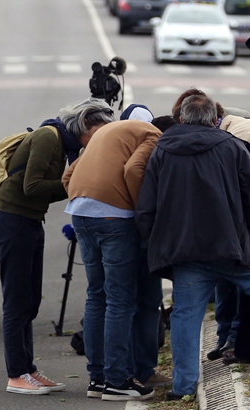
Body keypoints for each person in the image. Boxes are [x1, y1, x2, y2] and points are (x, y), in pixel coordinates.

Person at [136, 95, 250, 401]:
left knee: (186, 316)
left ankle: (184, 386)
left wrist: (157, 242)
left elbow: (146, 207)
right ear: (215, 119)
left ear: (182, 120)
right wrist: (244, 233)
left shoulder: (162, 151)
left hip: (185, 252)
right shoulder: (232, 147)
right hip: (230, 246)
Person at [0, 98, 115, 396]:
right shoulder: (49, 137)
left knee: (30, 301)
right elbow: (31, 187)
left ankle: (28, 369)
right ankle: (16, 374)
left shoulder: (66, 145)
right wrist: (74, 183)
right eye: (101, 129)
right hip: (13, 222)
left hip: (30, 221)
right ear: (86, 123)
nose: (102, 137)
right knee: (17, 302)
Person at [62, 107, 162, 401]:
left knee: (97, 296)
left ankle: (98, 377)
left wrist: (88, 199)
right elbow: (134, 170)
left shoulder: (106, 132)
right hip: (115, 219)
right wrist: (137, 211)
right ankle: (118, 380)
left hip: (80, 214)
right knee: (121, 299)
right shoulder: (152, 134)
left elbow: (69, 175)